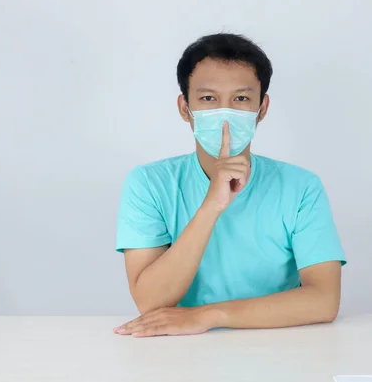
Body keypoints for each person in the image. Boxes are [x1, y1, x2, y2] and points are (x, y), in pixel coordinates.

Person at [113, 33, 346, 337]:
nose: (225, 113)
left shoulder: (301, 187)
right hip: (178, 355)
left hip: (283, 346)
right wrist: (213, 205)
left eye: (241, 99)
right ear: (185, 108)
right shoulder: (148, 184)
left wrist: (209, 316)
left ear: (261, 109)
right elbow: (150, 301)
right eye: (208, 98)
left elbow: (324, 301)